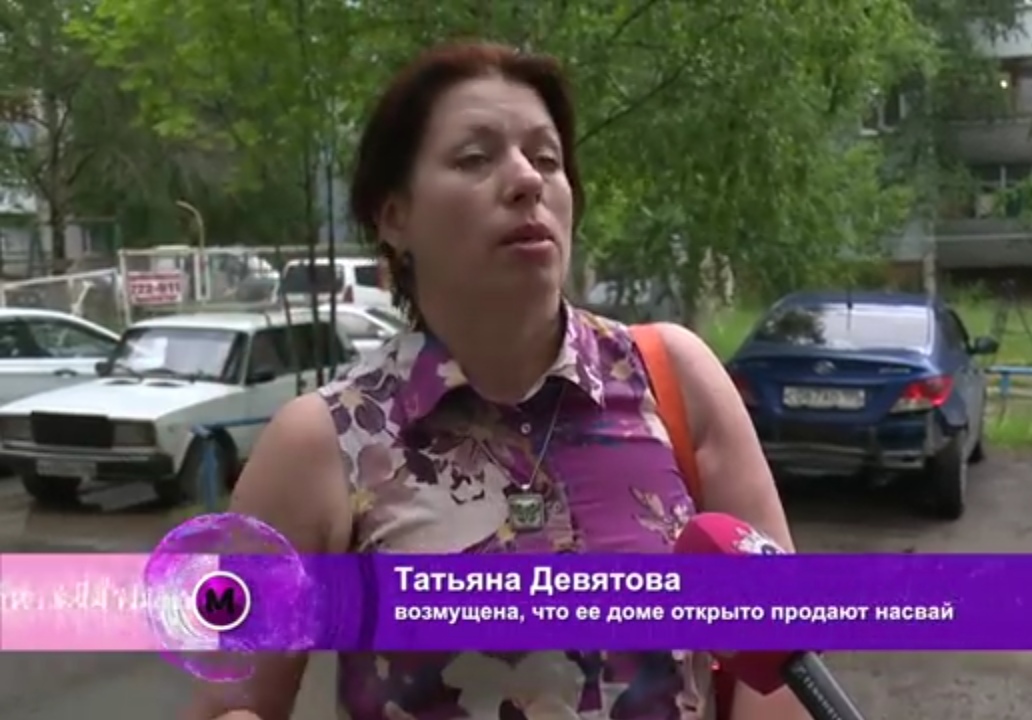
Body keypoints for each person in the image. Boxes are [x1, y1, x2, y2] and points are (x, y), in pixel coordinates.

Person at [190, 40, 802, 720]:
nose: (527, 181)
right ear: (394, 216)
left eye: (547, 158)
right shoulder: (322, 442)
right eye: (475, 158)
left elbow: (779, 673)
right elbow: (230, 702)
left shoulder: (675, 382)